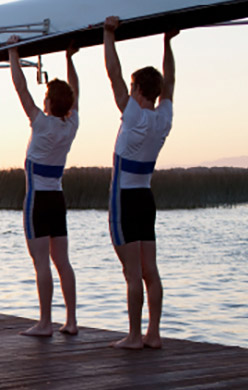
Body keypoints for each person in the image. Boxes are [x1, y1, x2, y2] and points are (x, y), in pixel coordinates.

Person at [104, 16, 177, 350]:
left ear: (136, 91)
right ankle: (154, 334)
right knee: (151, 271)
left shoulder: (132, 115)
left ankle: (134, 336)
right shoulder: (163, 119)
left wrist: (108, 35)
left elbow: (112, 75)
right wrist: (167, 42)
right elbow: (171, 82)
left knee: (132, 272)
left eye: (131, 88)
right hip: (146, 199)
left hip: (124, 200)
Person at [7, 35, 81, 337]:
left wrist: (13, 53)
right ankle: (72, 321)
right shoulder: (72, 124)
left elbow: (21, 88)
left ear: (49, 103)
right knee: (62, 261)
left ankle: (46, 323)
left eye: (47, 97)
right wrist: (70, 58)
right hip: (58, 200)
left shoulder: (40, 122)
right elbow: (76, 93)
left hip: (37, 201)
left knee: (41, 263)